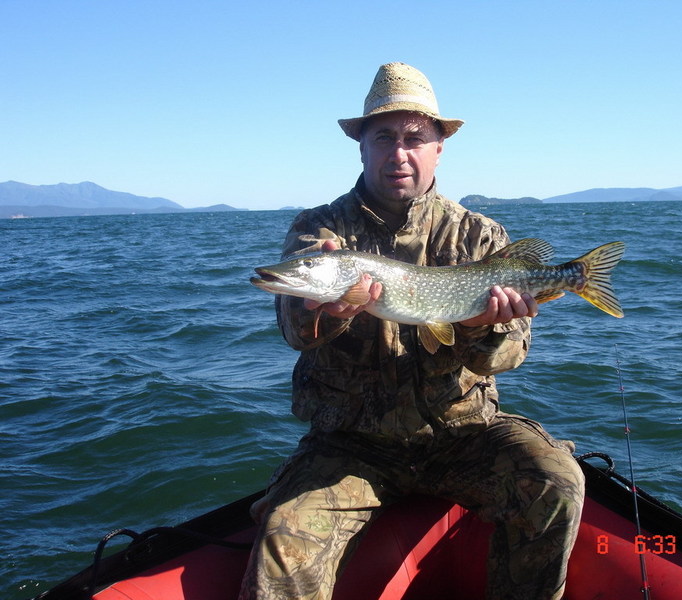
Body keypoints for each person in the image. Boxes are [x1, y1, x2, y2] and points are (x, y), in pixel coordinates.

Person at [238, 62, 585, 600]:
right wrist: (328, 309)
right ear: (362, 147)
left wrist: (480, 328)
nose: (398, 153)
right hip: (352, 445)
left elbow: (510, 354)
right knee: (284, 538)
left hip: (464, 435)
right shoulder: (320, 232)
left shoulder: (480, 235)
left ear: (439, 147)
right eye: (384, 138)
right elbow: (294, 331)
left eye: (414, 138)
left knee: (557, 484)